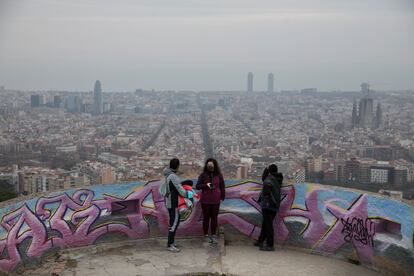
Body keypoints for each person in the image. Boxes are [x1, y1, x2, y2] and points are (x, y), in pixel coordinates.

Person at [163, 158, 194, 252]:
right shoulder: (173, 177)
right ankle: (170, 244)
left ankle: (171, 242)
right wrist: (189, 194)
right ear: (177, 166)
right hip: (174, 203)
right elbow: (181, 191)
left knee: (173, 222)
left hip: (169, 202)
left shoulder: (168, 175)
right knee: (174, 223)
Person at [196, 158, 225, 244]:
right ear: (206, 166)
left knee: (214, 218)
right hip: (205, 201)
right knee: (206, 218)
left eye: (211, 165)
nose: (210, 167)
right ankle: (205, 235)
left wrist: (222, 197)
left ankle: (213, 235)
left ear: (214, 165)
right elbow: (197, 186)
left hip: (216, 201)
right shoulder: (203, 175)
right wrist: (206, 185)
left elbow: (222, 187)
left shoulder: (219, 175)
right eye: (209, 165)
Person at [255, 164, 283, 251]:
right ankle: (260, 241)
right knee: (266, 224)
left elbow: (265, 185)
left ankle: (270, 245)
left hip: (268, 205)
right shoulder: (278, 179)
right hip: (275, 205)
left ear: (270, 171)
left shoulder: (269, 180)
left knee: (268, 225)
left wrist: (265, 170)